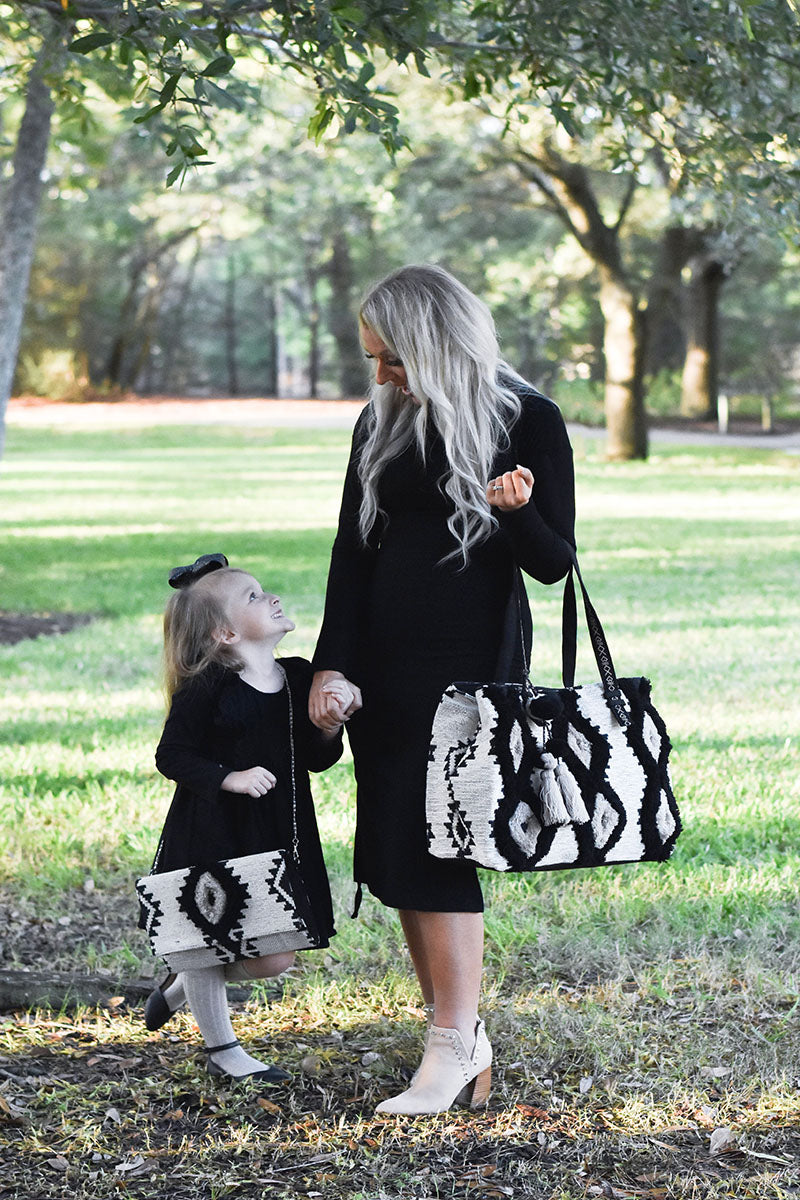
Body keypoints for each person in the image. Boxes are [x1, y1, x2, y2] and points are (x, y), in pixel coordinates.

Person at [309, 264, 576, 1115]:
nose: (381, 375)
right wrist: (330, 665)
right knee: (393, 852)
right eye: (373, 360)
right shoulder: (379, 420)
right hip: (381, 666)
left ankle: (451, 1046)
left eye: (392, 359)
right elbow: (351, 556)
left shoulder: (527, 418)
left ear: (436, 343)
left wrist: (513, 509)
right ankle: (456, 1034)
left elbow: (553, 564)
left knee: (441, 848)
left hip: (468, 672)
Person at [140, 553, 354, 1082]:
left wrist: (329, 727)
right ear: (226, 634)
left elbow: (318, 759)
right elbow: (172, 754)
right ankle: (223, 1051)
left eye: (264, 589)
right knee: (207, 938)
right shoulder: (209, 685)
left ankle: (183, 983)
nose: (271, 597)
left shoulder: (299, 676)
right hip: (212, 831)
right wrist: (228, 776)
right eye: (254, 597)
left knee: (273, 956)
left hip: (278, 831)